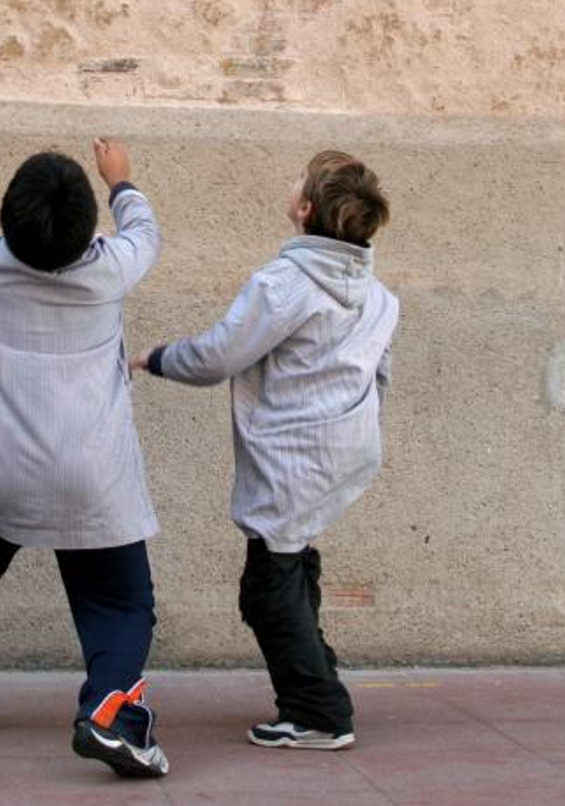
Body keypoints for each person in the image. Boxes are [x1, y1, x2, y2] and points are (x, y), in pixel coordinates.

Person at [0, 93, 168, 777]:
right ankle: (111, 708)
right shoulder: (113, 267)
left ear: (10, 222)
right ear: (88, 227)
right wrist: (121, 178)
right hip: (92, 479)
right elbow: (145, 228)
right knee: (120, 602)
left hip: (0, 474)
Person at [132, 151, 399, 751]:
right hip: (346, 450)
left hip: (294, 456)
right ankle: (318, 677)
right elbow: (381, 375)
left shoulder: (284, 285)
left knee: (265, 587)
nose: (290, 182)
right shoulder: (380, 297)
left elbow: (220, 355)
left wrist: (158, 358)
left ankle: (319, 711)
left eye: (297, 181)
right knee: (292, 558)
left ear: (306, 208)